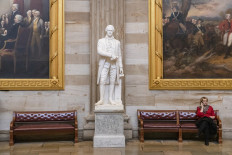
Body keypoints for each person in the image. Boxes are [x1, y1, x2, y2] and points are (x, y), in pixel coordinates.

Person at [95, 25, 124, 106]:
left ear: (113, 31)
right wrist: (110, 55)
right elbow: (99, 51)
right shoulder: (101, 41)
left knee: (112, 81)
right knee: (102, 80)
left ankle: (111, 98)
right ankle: (101, 99)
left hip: (114, 64)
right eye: (108, 30)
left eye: (111, 30)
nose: (110, 32)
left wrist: (121, 67)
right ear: (106, 31)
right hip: (104, 64)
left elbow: (119, 55)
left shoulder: (117, 42)